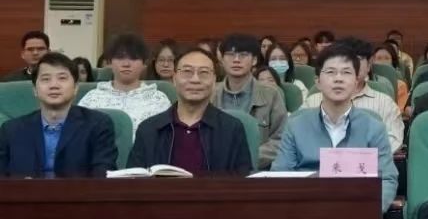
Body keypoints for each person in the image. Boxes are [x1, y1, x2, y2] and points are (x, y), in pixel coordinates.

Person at [272, 44, 397, 212]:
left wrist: (368, 211)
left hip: (359, 213)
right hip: (306, 213)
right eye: (330, 72)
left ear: (356, 82)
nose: (338, 79)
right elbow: (280, 177)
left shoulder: (374, 127)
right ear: (318, 82)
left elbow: (387, 179)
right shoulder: (295, 126)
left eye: (346, 72)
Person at [130, 47, 252, 175]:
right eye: (187, 72)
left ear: (214, 80)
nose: (195, 80)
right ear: (174, 78)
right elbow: (132, 181)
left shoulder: (231, 129)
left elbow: (242, 181)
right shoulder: (149, 129)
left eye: (204, 73)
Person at [0, 52, 117, 177]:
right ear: (35, 90)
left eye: (62, 78)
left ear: (76, 88)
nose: (54, 85)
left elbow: (102, 177)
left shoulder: (98, 125)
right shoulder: (11, 130)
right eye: (46, 79)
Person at [302, 38, 405, 153]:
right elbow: (299, 137)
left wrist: (358, 156)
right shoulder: (312, 101)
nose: (351, 64)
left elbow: (394, 140)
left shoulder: (385, 103)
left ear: (369, 64)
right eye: (344, 59)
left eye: (357, 59)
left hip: (369, 162)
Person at [211, 33, 288, 169]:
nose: (236, 60)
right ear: (222, 60)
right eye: (230, 55)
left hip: (259, 170)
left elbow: (281, 139)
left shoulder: (271, 94)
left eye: (243, 55)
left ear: (254, 60)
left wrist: (247, 158)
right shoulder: (210, 95)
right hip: (216, 170)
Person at [78, 33, 173, 135]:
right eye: (120, 58)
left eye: (133, 58)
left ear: (144, 63)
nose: (126, 64)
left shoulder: (159, 100)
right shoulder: (91, 98)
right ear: (110, 62)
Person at [372, 42, 409, 111]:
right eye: (379, 58)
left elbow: (400, 110)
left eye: (387, 58)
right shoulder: (366, 82)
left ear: (393, 62)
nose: (383, 62)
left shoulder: (400, 85)